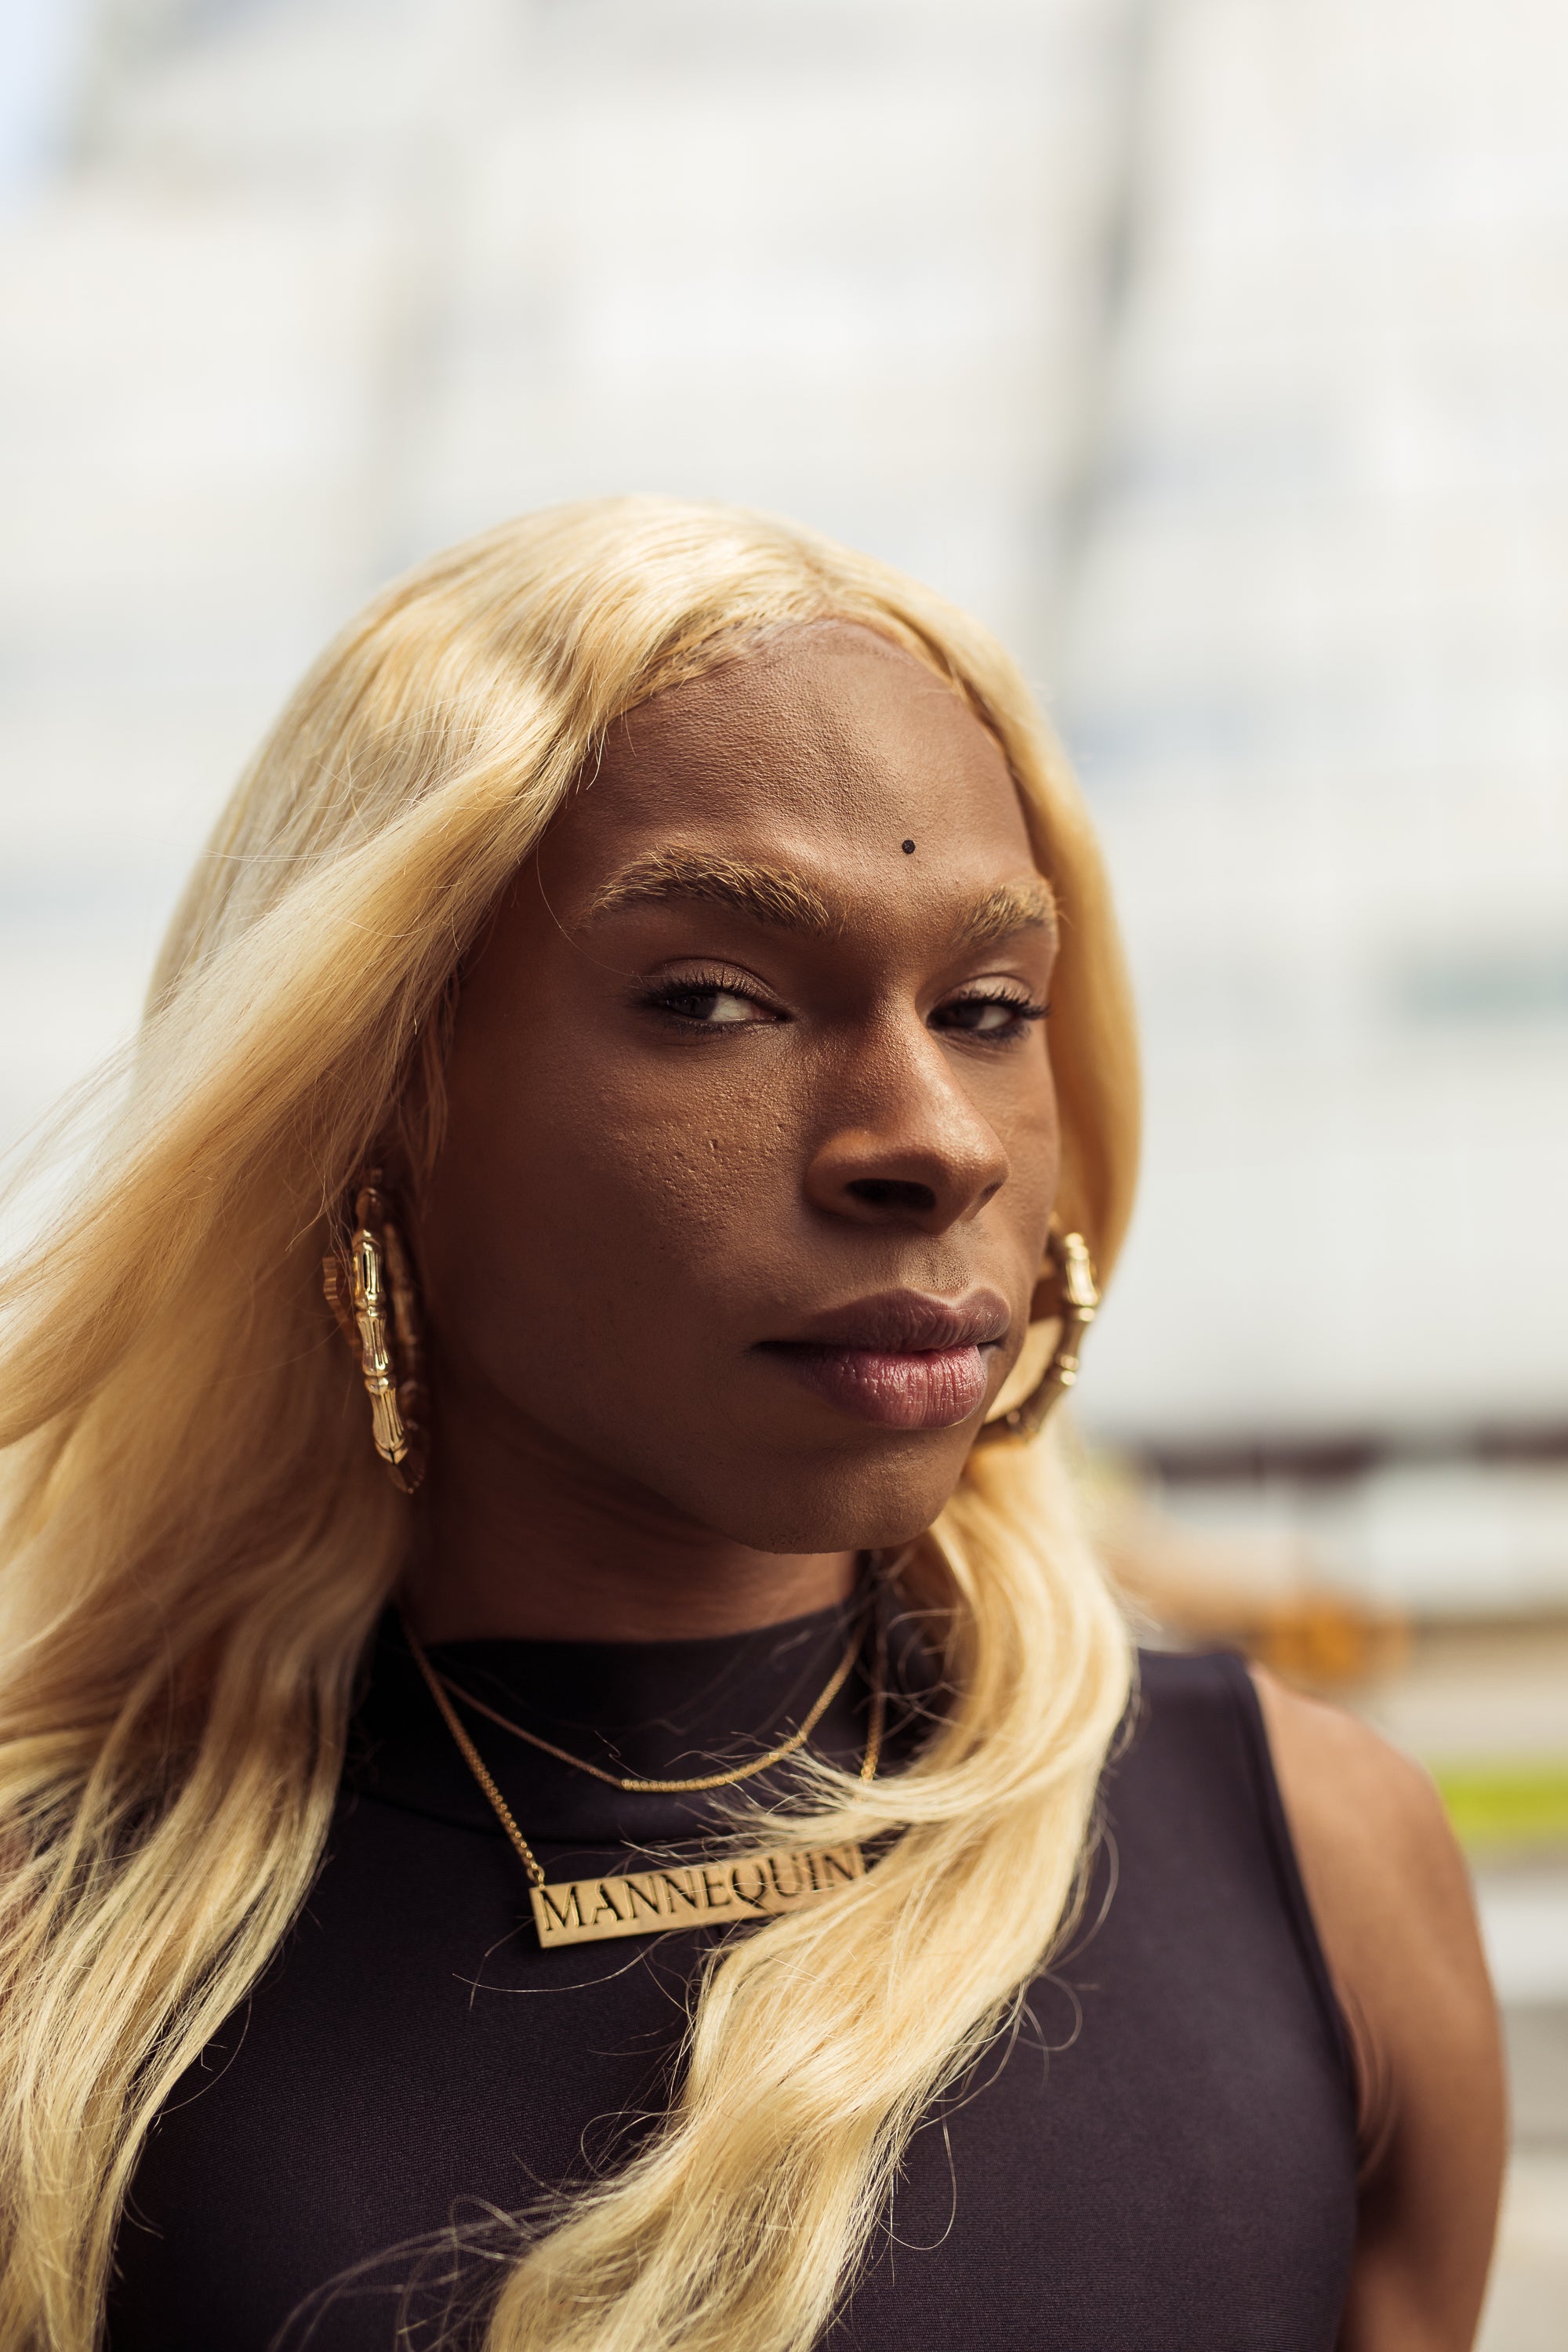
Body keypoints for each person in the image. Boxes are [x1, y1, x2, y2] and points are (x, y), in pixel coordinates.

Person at [0, 500, 1503, 2352]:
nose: (933, 1141)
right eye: (712, 1000)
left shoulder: (1321, 1865)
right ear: (370, 1096)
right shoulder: (51, 1962)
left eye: (988, 1007)